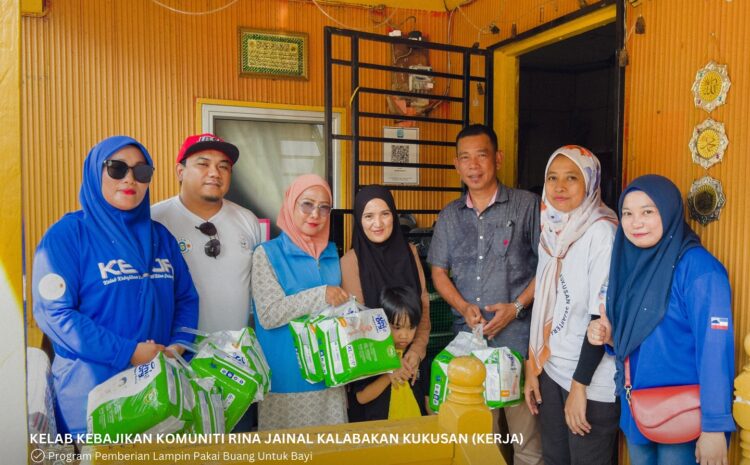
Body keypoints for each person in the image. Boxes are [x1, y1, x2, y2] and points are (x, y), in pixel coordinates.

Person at [32, 136, 199, 435]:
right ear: (96, 171)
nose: (130, 179)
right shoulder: (67, 236)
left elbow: (186, 298)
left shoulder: (160, 238)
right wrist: (127, 352)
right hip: (92, 400)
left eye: (142, 171)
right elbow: (55, 314)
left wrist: (177, 346)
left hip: (157, 394)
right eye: (117, 168)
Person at [588, 174, 735, 465]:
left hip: (686, 417)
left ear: (668, 212)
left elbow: (715, 351)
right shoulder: (630, 266)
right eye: (627, 213)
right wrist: (611, 337)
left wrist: (715, 426)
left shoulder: (700, 270)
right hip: (638, 412)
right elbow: (647, 336)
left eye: (647, 211)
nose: (635, 222)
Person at [428, 124, 543, 465]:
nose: (474, 165)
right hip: (470, 350)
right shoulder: (450, 216)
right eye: (465, 158)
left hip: (519, 346)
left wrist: (517, 307)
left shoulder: (526, 205)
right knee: (481, 445)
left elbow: (550, 266)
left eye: (482, 155)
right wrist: (463, 306)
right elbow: (438, 272)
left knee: (526, 444)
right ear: (456, 164)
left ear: (498, 158)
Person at [524, 146, 620, 465]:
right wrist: (533, 367)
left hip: (590, 381)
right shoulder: (552, 232)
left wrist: (580, 387)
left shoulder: (602, 233)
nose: (559, 187)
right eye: (552, 178)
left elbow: (601, 314)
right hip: (552, 368)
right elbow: (543, 305)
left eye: (571, 178)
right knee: (554, 459)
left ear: (591, 183)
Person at [251, 174, 350, 430]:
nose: (315, 214)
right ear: (290, 204)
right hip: (285, 381)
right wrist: (321, 294)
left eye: (324, 207)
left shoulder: (331, 253)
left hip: (331, 379)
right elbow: (269, 314)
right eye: (306, 204)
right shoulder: (267, 253)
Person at [152, 133, 262, 334]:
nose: (215, 173)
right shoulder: (155, 220)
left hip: (234, 356)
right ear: (180, 171)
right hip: (175, 354)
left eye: (223, 166)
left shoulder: (247, 220)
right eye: (203, 164)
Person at [340, 185, 431, 385]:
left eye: (385, 214)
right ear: (359, 220)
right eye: (369, 216)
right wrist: (391, 363)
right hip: (374, 373)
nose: (378, 223)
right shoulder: (351, 261)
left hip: (412, 365)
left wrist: (416, 351)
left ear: (394, 215)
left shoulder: (410, 253)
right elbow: (359, 322)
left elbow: (423, 305)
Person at [347, 286, 431, 421]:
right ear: (382, 322)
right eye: (397, 328)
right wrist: (389, 375)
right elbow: (361, 398)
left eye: (411, 327)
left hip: (415, 434)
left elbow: (428, 401)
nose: (404, 335)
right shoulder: (371, 354)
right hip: (382, 435)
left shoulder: (417, 357)